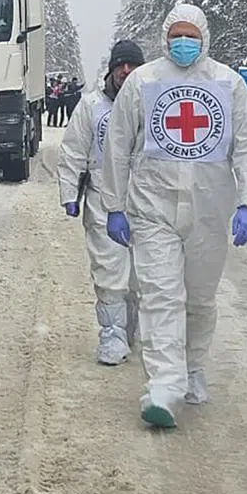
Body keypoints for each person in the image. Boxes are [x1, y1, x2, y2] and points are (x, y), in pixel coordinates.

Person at [100, 3, 247, 429]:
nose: (184, 43)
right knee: (160, 295)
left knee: (199, 298)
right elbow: (118, 145)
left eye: (192, 35)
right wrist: (114, 206)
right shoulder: (143, 81)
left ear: (205, 37)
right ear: (165, 37)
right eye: (177, 35)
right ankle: (164, 386)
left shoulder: (227, 83)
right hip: (152, 208)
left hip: (209, 210)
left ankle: (192, 367)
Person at [58, 41, 145, 365]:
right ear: (111, 69)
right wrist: (70, 193)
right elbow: (73, 151)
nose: (126, 71)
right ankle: (112, 334)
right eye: (121, 65)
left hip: (147, 200)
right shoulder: (91, 106)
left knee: (142, 273)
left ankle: (132, 330)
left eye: (132, 66)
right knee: (109, 271)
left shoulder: (152, 104)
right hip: (103, 201)